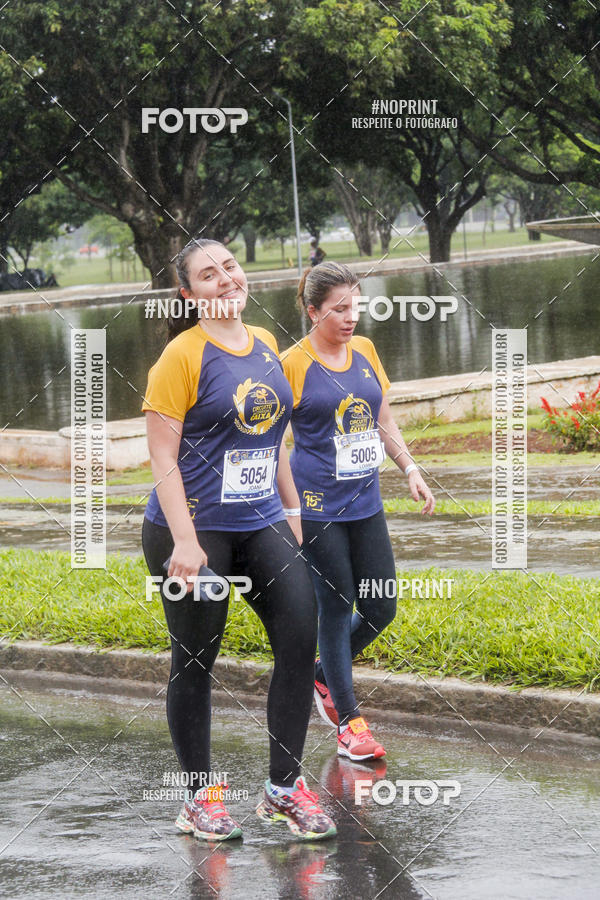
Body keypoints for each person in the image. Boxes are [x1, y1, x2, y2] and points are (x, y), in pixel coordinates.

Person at [141, 238, 336, 841]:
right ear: (187, 293)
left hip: (260, 522)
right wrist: (185, 542)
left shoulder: (267, 345)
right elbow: (161, 455)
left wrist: (291, 507)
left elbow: (271, 436)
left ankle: (283, 789)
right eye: (208, 274)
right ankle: (199, 799)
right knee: (196, 661)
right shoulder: (179, 357)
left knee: (300, 643)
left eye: (229, 266)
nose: (225, 279)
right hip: (193, 532)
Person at [282, 262, 435, 761]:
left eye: (357, 306)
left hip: (365, 503)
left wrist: (409, 468)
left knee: (381, 605)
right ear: (312, 312)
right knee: (337, 603)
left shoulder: (365, 350)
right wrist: (285, 509)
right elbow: (271, 440)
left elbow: (381, 417)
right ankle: (349, 722)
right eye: (339, 309)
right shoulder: (291, 364)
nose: (352, 317)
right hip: (316, 507)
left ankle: (323, 674)